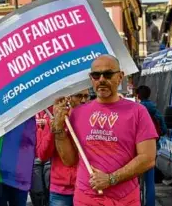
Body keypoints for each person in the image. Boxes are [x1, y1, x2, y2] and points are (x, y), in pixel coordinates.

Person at [52, 55, 158, 206]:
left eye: (108, 74)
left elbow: (148, 159)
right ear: (91, 78)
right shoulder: (78, 113)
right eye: (96, 75)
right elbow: (69, 160)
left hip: (125, 199)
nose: (101, 79)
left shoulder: (138, 111)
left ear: (120, 77)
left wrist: (111, 179)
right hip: (86, 198)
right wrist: (58, 129)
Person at [36, 90, 90, 206]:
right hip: (60, 190)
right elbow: (42, 154)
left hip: (86, 187)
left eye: (86, 96)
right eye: (79, 96)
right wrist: (55, 126)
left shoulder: (91, 121)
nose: (84, 100)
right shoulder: (56, 120)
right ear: (69, 98)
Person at [135, 85, 164, 206]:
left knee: (133, 180)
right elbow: (164, 129)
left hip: (136, 149)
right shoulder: (155, 110)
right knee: (150, 181)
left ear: (138, 96)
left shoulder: (136, 109)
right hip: (152, 147)